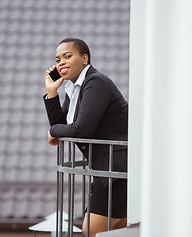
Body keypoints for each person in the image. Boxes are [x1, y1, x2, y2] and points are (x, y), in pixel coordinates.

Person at [43, 38, 128, 237]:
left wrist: (54, 131)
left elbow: (81, 130)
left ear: (85, 58)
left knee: (92, 230)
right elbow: (61, 124)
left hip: (118, 170)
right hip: (107, 170)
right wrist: (52, 92)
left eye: (67, 56)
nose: (61, 62)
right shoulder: (73, 89)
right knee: (119, 230)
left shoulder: (95, 82)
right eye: (57, 59)